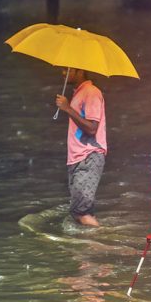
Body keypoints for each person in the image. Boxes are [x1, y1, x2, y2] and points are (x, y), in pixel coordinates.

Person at [55, 67, 107, 227]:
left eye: (67, 70)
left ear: (79, 71)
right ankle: (89, 248)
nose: (63, 73)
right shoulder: (79, 93)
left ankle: (104, 242)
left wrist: (67, 108)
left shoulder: (91, 92)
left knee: (80, 212)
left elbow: (92, 128)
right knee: (81, 211)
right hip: (78, 158)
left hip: (88, 156)